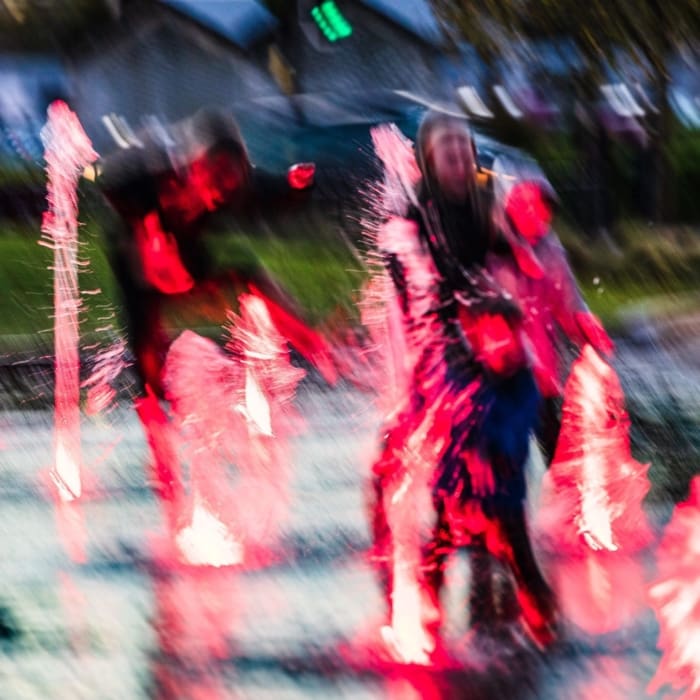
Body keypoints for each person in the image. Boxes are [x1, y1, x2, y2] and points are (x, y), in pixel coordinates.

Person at [94, 107, 337, 538]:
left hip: (188, 271)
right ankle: (168, 488)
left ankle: (317, 346)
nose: (219, 192)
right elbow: (105, 177)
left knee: (249, 279)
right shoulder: (151, 181)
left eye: (229, 178)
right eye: (213, 177)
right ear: (192, 165)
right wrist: (146, 200)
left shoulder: (234, 186)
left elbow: (271, 192)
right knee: (150, 392)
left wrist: (299, 186)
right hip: (142, 279)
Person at [367, 111, 557, 658]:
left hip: (488, 358)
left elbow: (525, 250)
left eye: (464, 144)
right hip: (442, 362)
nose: (458, 152)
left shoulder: (485, 209)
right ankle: (417, 616)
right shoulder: (413, 217)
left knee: (501, 509)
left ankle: (510, 612)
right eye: (445, 145)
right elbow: (407, 294)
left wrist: (525, 228)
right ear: (428, 159)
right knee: (441, 505)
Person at [487, 166, 615, 465]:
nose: (535, 214)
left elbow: (568, 303)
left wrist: (586, 326)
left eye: (541, 208)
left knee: (553, 455)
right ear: (510, 200)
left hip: (541, 375)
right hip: (498, 375)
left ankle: (558, 501)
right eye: (526, 203)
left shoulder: (550, 249)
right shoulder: (488, 243)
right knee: (500, 456)